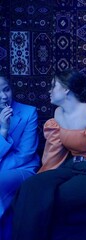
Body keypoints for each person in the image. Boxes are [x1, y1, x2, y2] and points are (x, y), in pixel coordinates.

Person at [12, 69, 86, 240]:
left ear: (66, 89)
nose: (49, 91)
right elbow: (53, 152)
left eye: (53, 86)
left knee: (54, 198)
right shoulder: (58, 114)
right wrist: (44, 179)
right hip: (71, 166)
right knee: (31, 187)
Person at [0, 75, 40, 239]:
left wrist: (5, 128)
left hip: (23, 169)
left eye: (6, 89)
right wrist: (3, 131)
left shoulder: (29, 112)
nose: (3, 96)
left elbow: (26, 154)